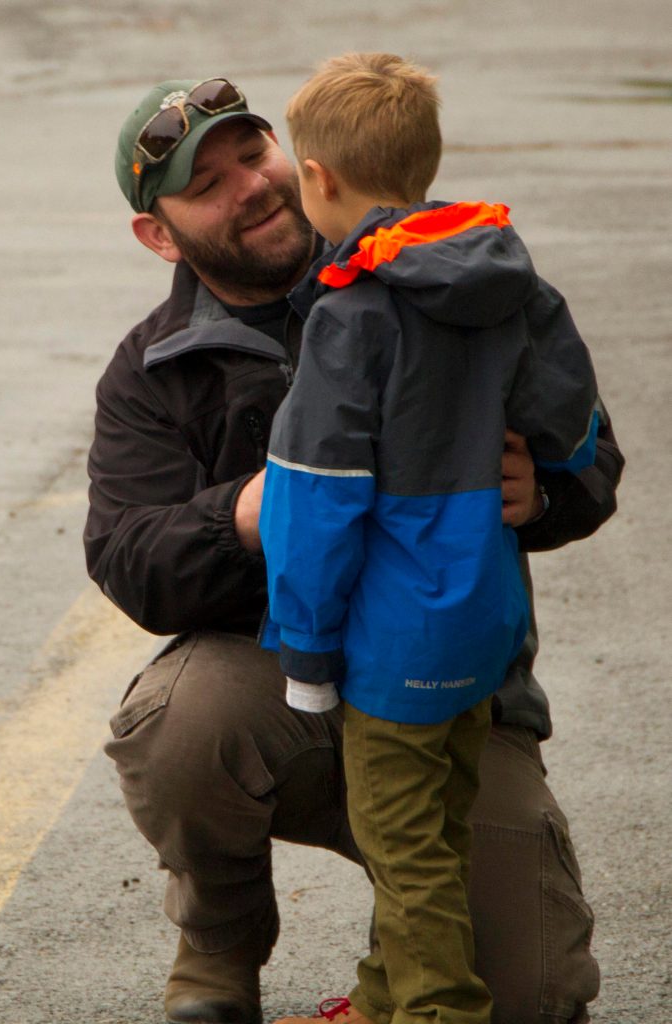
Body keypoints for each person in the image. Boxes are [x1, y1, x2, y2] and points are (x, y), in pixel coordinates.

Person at [84, 73, 624, 1024]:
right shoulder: (151, 369)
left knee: (529, 996)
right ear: (158, 234)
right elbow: (129, 558)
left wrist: (542, 492)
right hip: (285, 681)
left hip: (454, 688)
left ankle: (398, 960)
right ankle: (218, 947)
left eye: (253, 155)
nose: (249, 185)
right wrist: (249, 513)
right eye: (206, 183)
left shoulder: (449, 280)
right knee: (177, 724)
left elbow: (590, 454)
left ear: (304, 163)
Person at [258, 52, 602, 1024]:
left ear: (317, 178)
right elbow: (571, 424)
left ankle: (434, 1009)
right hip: (483, 628)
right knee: (437, 826)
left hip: (391, 644)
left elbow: (312, 505)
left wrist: (307, 652)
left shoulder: (350, 313)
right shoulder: (505, 278)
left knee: (402, 850)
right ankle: (378, 999)